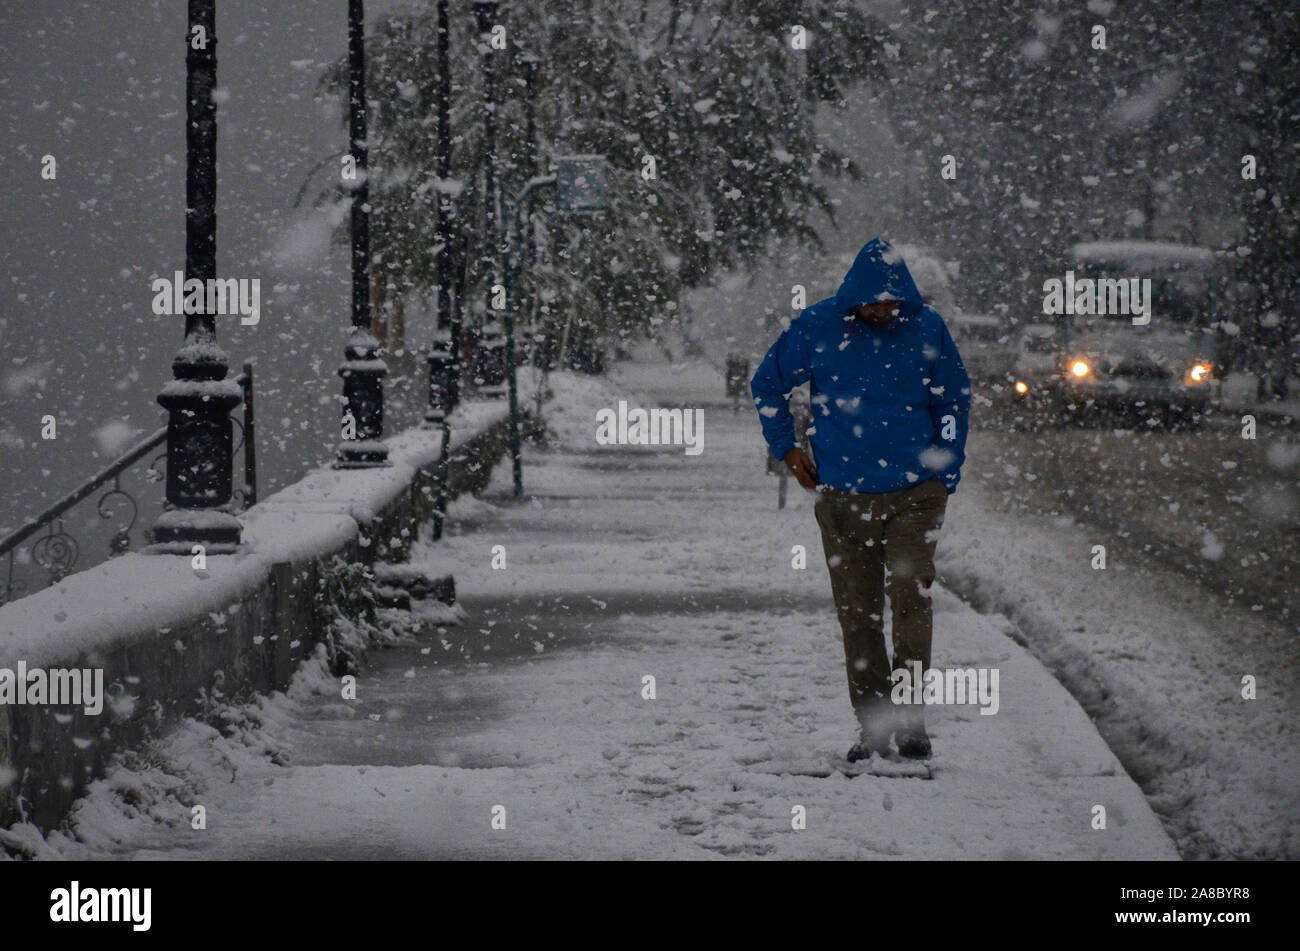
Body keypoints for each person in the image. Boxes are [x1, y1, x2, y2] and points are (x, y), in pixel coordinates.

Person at [750, 237, 971, 762]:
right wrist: (785, 447)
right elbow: (766, 384)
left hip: (915, 495)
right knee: (858, 613)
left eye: (893, 302)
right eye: (875, 302)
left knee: (910, 596)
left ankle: (911, 719)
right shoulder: (818, 327)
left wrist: (945, 467)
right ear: (854, 298)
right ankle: (873, 725)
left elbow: (953, 401)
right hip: (844, 497)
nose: (884, 311)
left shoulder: (927, 328)